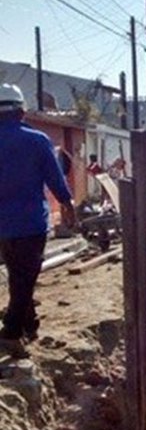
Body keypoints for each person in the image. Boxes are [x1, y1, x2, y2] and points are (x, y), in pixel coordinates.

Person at [0, 83, 75, 350]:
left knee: (17, 275)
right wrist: (67, 205)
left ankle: (29, 326)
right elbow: (55, 178)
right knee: (25, 277)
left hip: (3, 228)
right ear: (22, 111)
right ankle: (10, 332)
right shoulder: (37, 140)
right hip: (30, 224)